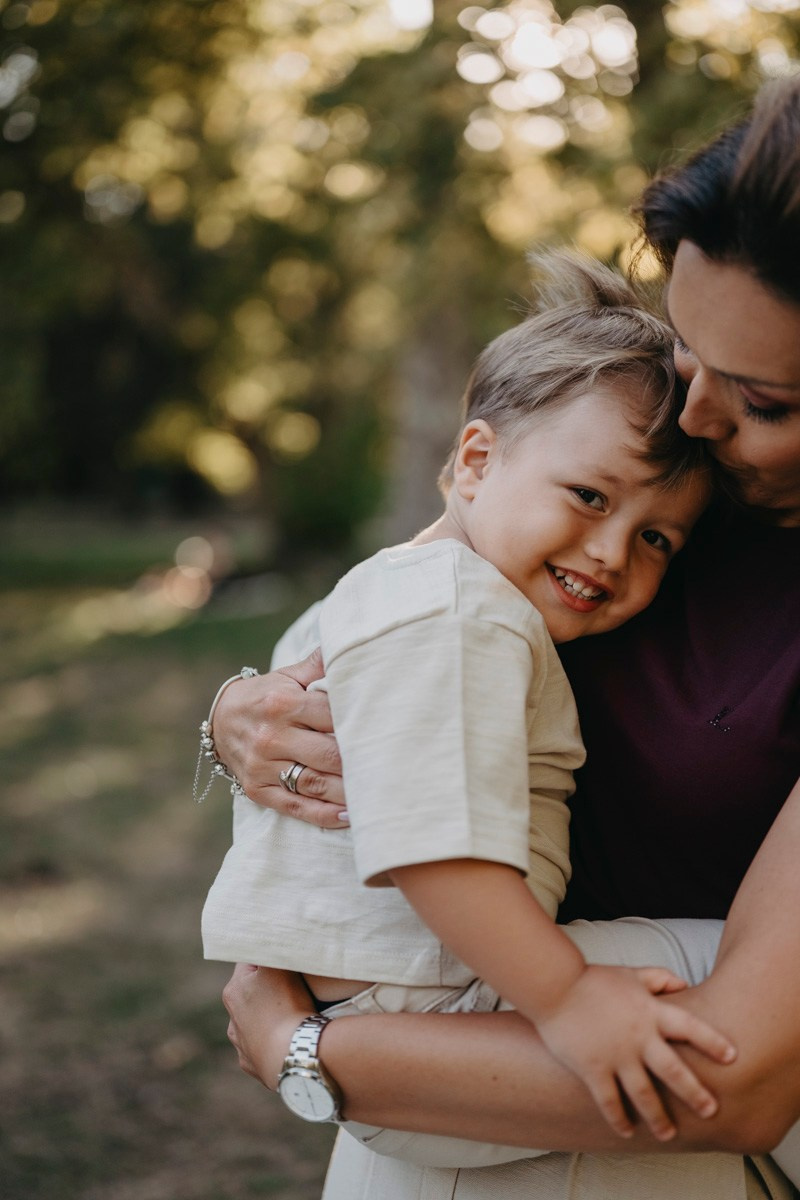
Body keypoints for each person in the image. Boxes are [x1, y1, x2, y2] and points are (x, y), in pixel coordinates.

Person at [214, 78, 800, 1200]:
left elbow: (738, 1075)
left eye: (762, 400)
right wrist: (249, 708)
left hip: (606, 1069)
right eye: (686, 358)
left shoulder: (655, 517)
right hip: (482, 1021)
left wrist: (308, 1052)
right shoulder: (666, 472)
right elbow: (434, 596)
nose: (695, 420)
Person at [202, 252, 726, 1150]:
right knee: (753, 980)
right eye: (589, 495)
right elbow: (430, 845)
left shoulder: (376, 595)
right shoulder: (461, 611)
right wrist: (567, 999)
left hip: (369, 1000)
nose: (610, 552)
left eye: (656, 539)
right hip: (442, 1002)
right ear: (476, 460)